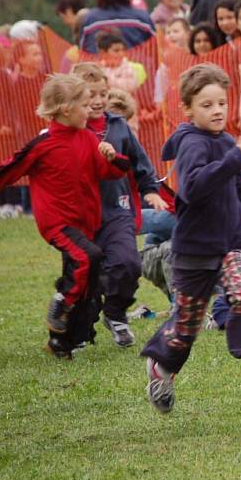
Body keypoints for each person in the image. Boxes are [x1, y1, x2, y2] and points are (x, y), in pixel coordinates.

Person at [140, 63, 241, 412]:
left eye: (221, 102)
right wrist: (239, 153)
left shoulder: (223, 140)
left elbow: (237, 180)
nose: (217, 110)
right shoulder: (192, 144)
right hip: (194, 251)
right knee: (186, 329)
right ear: (188, 109)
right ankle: (161, 368)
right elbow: (193, 187)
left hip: (231, 245)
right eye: (207, 105)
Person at [0, 74, 128, 357]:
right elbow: (8, 170)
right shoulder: (43, 145)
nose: (91, 111)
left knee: (89, 283)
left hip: (86, 223)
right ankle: (61, 302)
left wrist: (115, 158)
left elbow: (109, 172)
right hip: (58, 224)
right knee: (90, 257)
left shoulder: (87, 138)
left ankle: (62, 341)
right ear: (65, 108)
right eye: (85, 105)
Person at [72, 62, 164, 347]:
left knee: (128, 263)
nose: (99, 101)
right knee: (83, 274)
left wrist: (151, 190)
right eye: (91, 96)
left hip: (117, 210)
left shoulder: (118, 126)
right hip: (80, 216)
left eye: (103, 93)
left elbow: (139, 161)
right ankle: (79, 330)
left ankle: (115, 314)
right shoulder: (68, 132)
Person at [79, 0, 155, 54]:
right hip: (137, 65)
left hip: (98, 66)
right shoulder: (142, 19)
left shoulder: (89, 20)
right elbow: (156, 51)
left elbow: (83, 53)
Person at [95, 29, 147, 95]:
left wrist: (105, 77)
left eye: (123, 50)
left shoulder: (128, 67)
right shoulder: (97, 68)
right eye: (116, 50)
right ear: (103, 53)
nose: (121, 53)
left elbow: (128, 87)